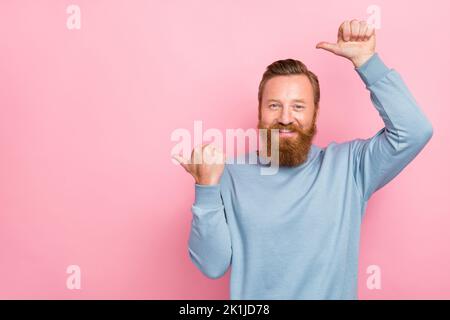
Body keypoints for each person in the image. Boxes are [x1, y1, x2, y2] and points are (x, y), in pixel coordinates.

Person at [173, 19, 433, 299]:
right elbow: (212, 266)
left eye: (298, 106)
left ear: (315, 113)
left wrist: (367, 62)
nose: (285, 118)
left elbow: (414, 131)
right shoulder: (230, 174)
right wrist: (206, 188)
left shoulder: (350, 168)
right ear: (260, 112)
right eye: (274, 106)